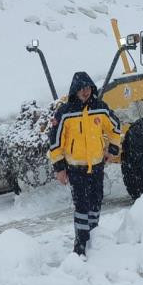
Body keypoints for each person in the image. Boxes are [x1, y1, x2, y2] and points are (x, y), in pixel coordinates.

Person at [47, 72, 121, 256]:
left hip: (96, 166)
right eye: (81, 89)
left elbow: (115, 128)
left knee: (96, 203)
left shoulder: (100, 108)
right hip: (75, 169)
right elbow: (55, 141)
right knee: (81, 206)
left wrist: (112, 149)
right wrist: (59, 168)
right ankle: (80, 243)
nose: (85, 92)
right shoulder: (65, 112)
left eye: (87, 88)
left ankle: (94, 238)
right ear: (75, 90)